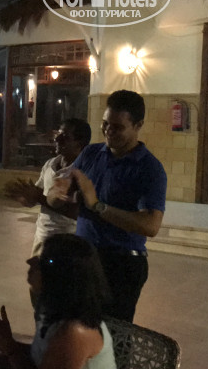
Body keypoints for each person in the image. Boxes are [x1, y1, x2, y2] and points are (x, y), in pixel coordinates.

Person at [48, 90, 166, 323]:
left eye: (118, 127)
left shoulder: (149, 168)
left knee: (111, 334)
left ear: (138, 125)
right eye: (105, 124)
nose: (108, 131)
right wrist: (56, 193)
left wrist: (97, 205)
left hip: (121, 264)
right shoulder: (91, 153)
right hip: (84, 257)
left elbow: (151, 225)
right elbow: (56, 196)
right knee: (75, 326)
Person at [0, 234, 116, 369]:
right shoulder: (53, 308)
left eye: (45, 260)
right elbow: (45, 356)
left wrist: (8, 347)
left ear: (63, 277)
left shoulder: (75, 331)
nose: (30, 261)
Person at [4, 119, 91, 256]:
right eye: (58, 134)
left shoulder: (84, 172)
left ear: (79, 144)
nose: (57, 139)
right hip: (43, 235)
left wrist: (39, 196)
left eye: (65, 137)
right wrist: (26, 197)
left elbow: (77, 214)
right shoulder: (50, 164)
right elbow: (37, 197)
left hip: (67, 241)